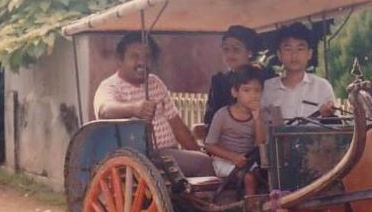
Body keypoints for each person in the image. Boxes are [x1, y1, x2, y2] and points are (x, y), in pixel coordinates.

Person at [93, 32, 213, 177]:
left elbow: (177, 125)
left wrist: (196, 151)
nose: (142, 62)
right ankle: (209, 199)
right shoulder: (109, 87)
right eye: (134, 56)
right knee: (203, 163)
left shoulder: (155, 82)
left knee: (203, 160)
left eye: (147, 57)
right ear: (120, 59)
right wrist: (135, 108)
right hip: (142, 158)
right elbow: (104, 110)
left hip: (170, 154)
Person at [204, 64, 266, 196]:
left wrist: (257, 120)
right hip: (224, 161)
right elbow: (209, 145)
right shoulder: (222, 115)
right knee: (249, 178)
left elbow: (260, 144)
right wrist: (233, 157)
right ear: (235, 92)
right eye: (247, 90)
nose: (253, 95)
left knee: (264, 176)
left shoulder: (261, 115)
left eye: (257, 90)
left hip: (248, 162)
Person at [261, 22, 335, 121]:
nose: (294, 55)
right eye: (288, 49)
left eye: (300, 49)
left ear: (309, 54)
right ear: (279, 54)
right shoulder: (267, 88)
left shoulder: (322, 87)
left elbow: (334, 125)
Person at [202, 25, 261, 131]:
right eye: (226, 49)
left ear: (250, 52)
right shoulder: (219, 81)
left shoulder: (264, 78)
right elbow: (210, 117)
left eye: (236, 49)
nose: (230, 54)